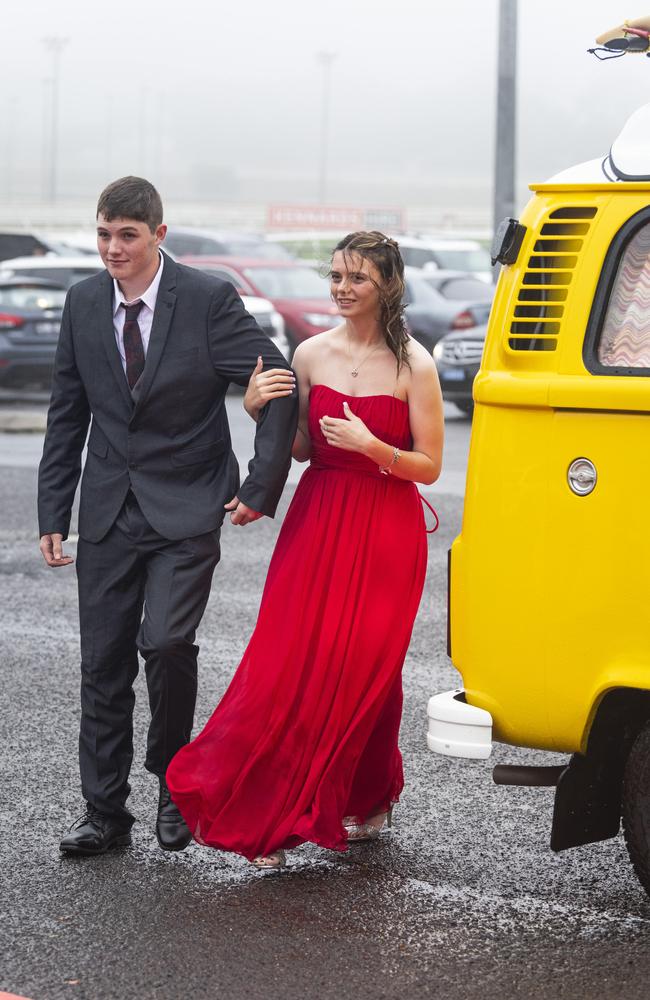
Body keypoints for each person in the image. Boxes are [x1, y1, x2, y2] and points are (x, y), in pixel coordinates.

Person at [37, 176, 298, 856]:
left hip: (185, 509)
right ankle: (104, 815)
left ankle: (174, 783)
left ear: (158, 233)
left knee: (167, 644)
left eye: (126, 235)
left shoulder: (207, 300)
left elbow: (275, 381)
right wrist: (53, 508)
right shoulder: (83, 301)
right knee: (102, 665)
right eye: (103, 234)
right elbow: (67, 412)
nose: (112, 248)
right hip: (106, 514)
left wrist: (261, 483)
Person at [167, 231, 444, 869]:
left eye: (357, 279)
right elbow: (296, 448)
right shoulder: (311, 354)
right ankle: (272, 813)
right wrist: (255, 406)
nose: (342, 289)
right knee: (289, 661)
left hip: (386, 530)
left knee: (367, 669)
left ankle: (365, 795)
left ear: (388, 287)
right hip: (318, 517)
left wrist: (373, 446)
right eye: (337, 276)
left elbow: (429, 466)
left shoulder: (416, 366)